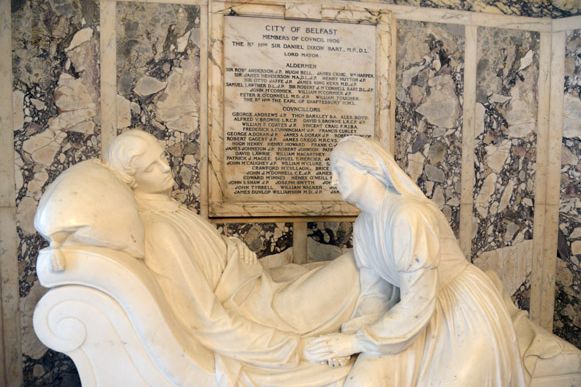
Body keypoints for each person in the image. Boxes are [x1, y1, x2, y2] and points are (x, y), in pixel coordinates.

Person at [103, 129, 360, 387]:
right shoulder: (159, 232)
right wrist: (297, 348)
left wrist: (236, 249)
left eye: (162, 157)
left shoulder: (170, 209)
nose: (165, 167)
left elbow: (211, 252)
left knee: (348, 268)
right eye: (151, 167)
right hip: (260, 314)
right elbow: (207, 320)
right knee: (357, 269)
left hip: (263, 287)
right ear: (132, 180)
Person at [306, 136, 526, 386]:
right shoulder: (364, 225)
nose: (333, 181)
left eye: (338, 171)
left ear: (368, 168)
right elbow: (375, 296)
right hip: (407, 320)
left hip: (459, 313)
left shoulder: (408, 215)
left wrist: (355, 342)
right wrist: (349, 341)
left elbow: (419, 301)